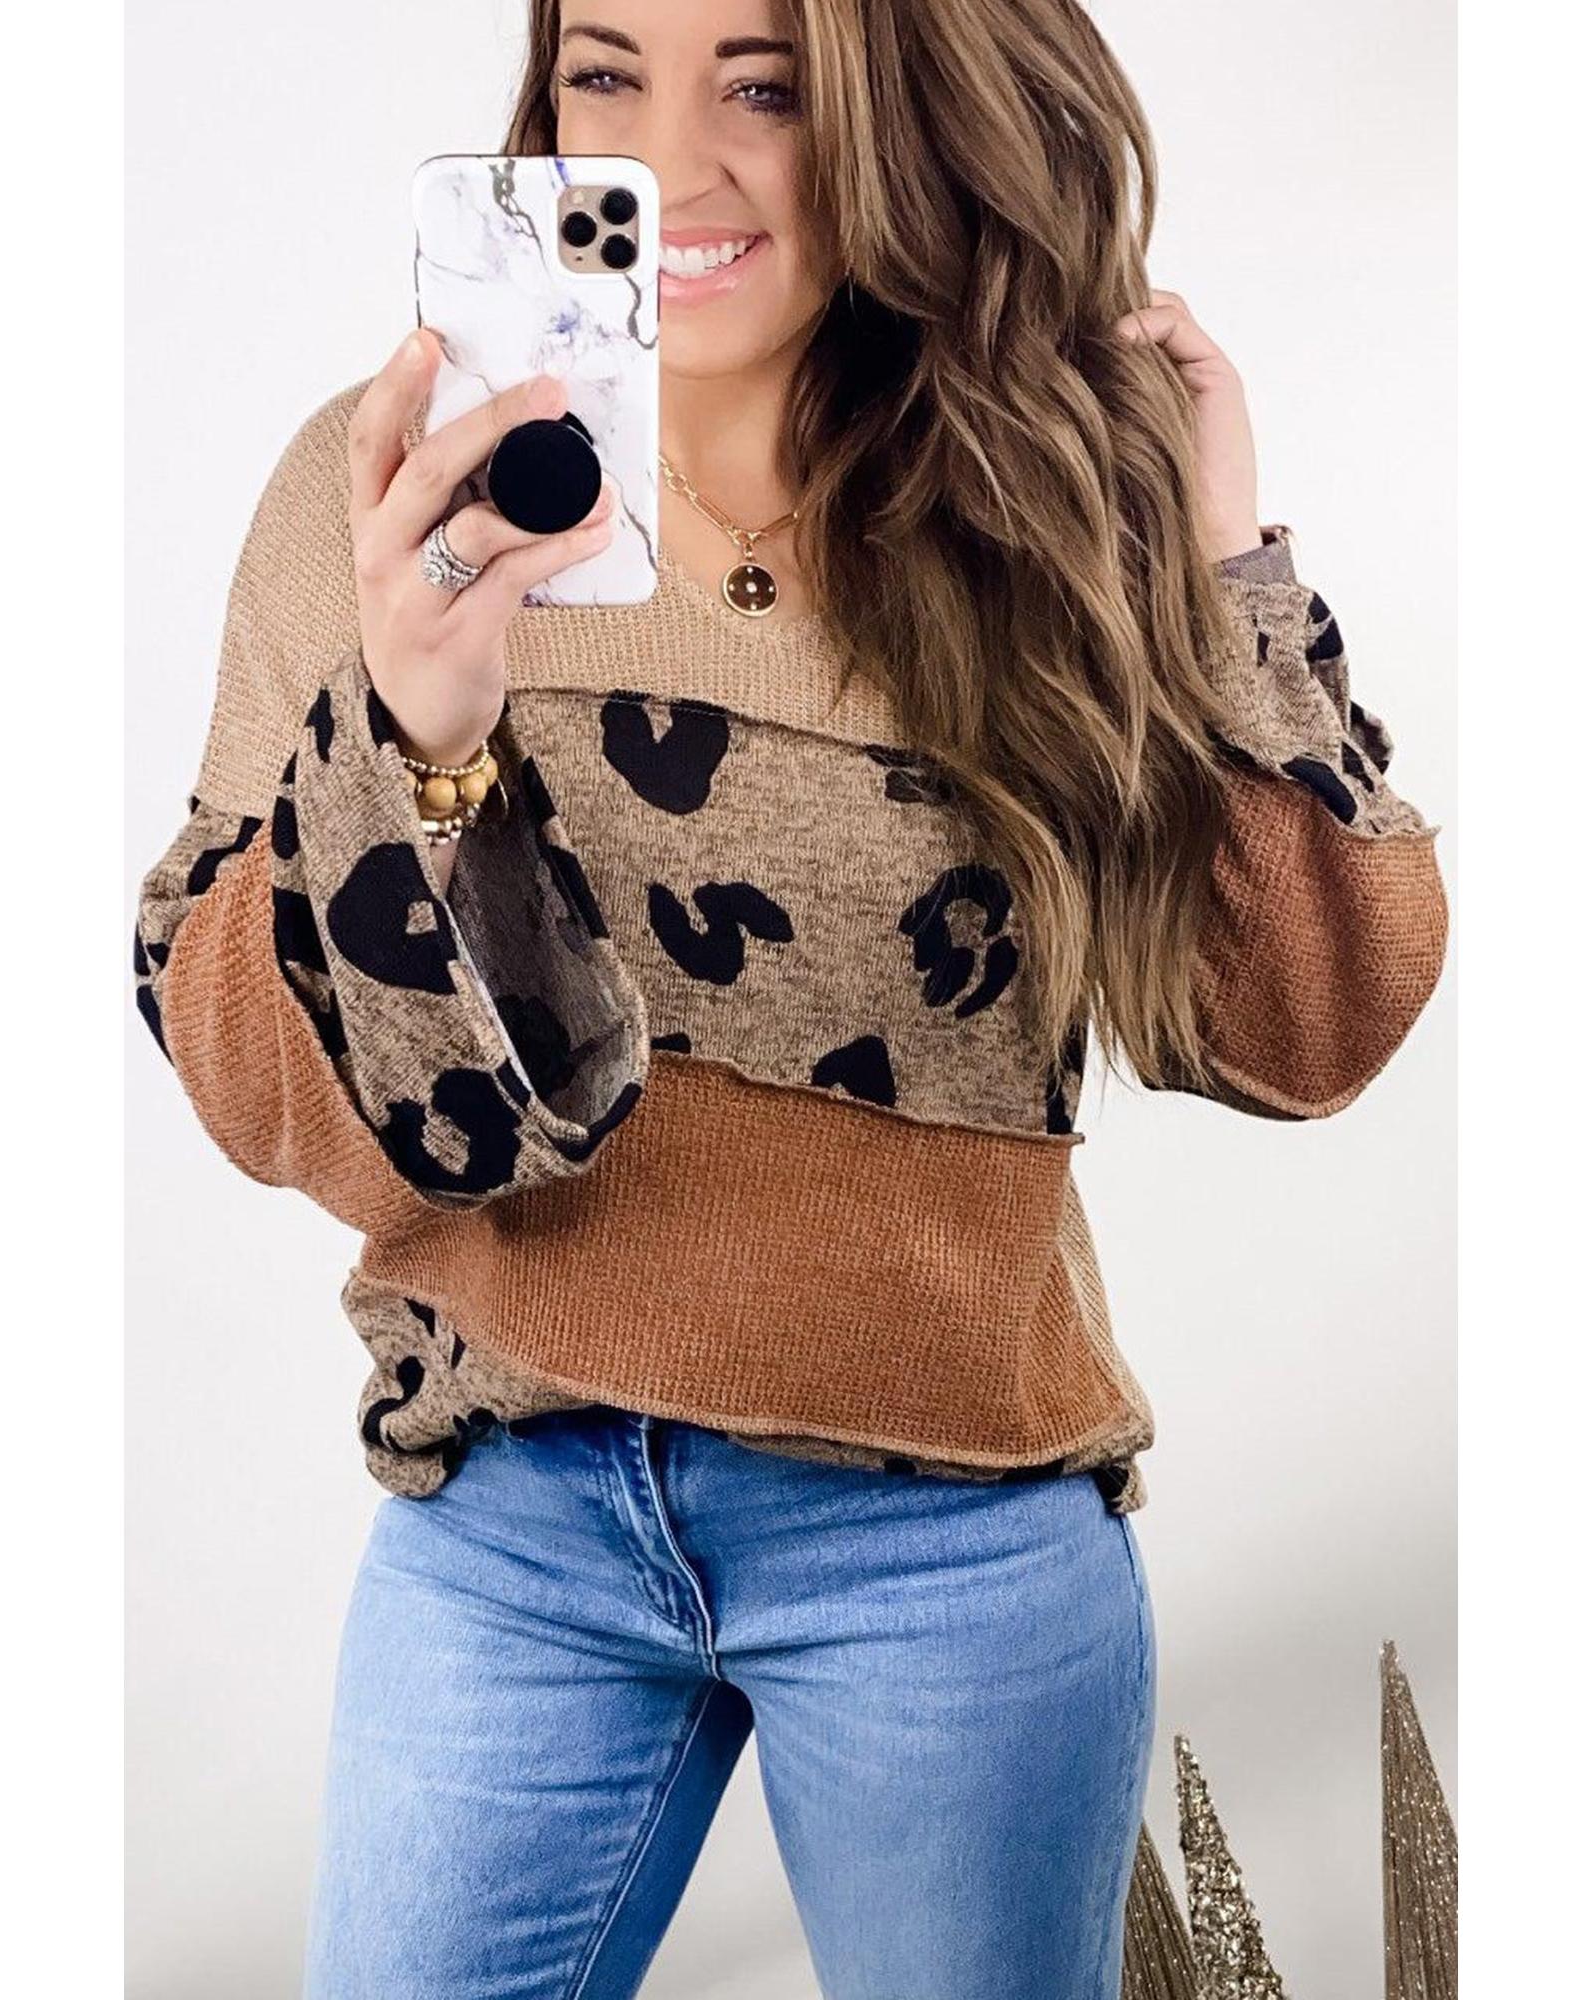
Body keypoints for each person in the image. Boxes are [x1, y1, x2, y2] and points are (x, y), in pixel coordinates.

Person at [130, 2, 1449, 1994]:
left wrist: (1221, 566)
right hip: (510, 1518)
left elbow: (1304, 1023)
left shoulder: (1040, 512)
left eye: (765, 84)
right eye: (605, 71)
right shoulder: (388, 490)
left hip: (950, 1532)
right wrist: (413, 750)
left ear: (900, 109)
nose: (672, 157)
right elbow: (247, 1075)